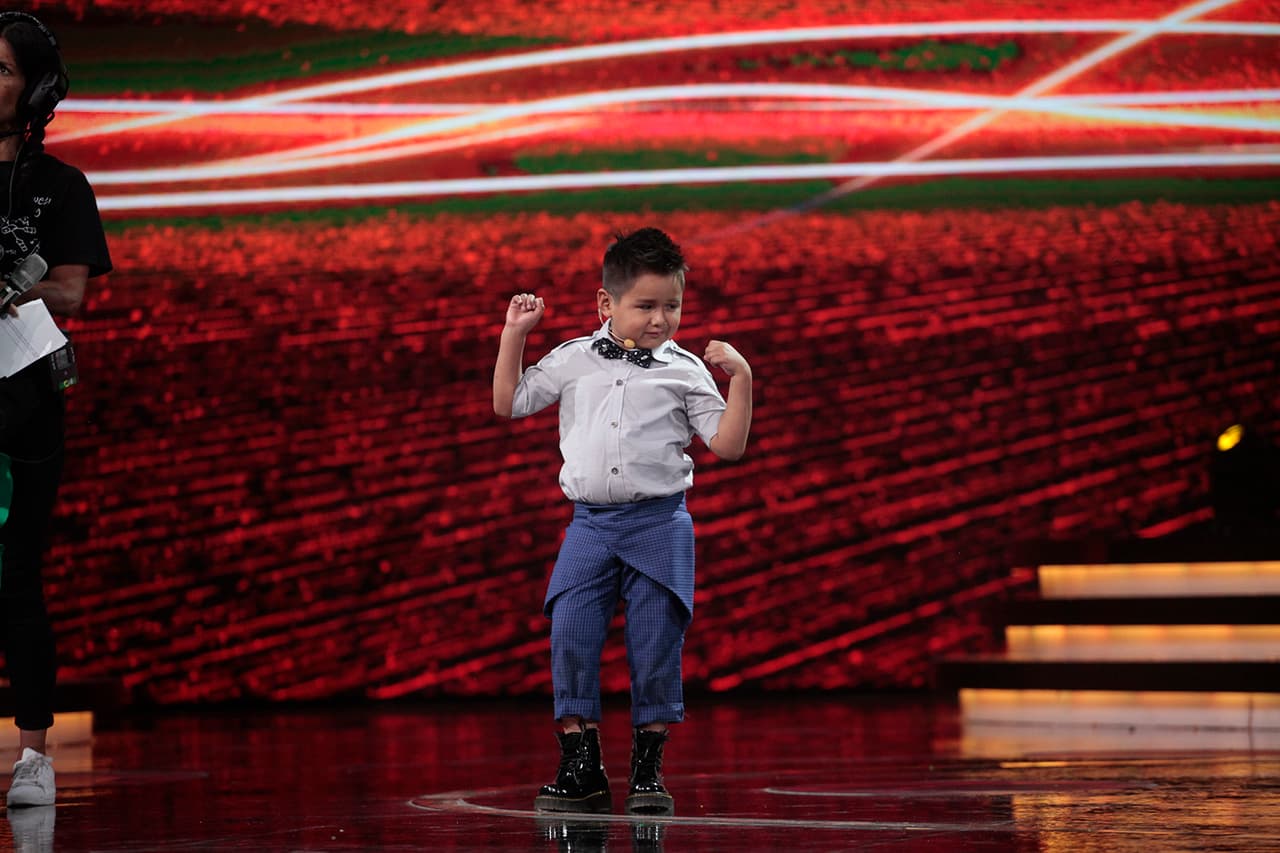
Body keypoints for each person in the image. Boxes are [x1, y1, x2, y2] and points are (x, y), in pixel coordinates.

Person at [493, 227, 752, 815]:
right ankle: (581, 769)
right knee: (572, 634)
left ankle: (647, 774)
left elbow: (728, 445)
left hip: (660, 523)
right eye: (646, 306)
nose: (661, 319)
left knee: (656, 645)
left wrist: (742, 380)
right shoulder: (572, 359)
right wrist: (515, 335)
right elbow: (508, 402)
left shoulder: (685, 371)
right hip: (590, 525)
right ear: (606, 303)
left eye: (672, 306)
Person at [0, 11, 112, 808]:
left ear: (35, 88)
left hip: (23, 401)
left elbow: (72, 287)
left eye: (2, 69)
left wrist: (12, 285)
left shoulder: (61, 186)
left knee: (17, 580)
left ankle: (31, 754)